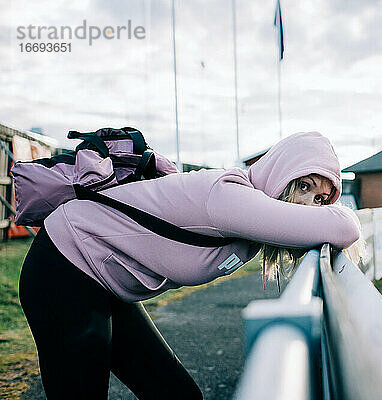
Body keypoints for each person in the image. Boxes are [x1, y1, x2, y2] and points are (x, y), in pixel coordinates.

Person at [18, 131, 361, 399]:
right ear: (280, 171)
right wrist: (333, 213)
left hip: (100, 283)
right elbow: (345, 227)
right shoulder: (231, 197)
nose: (309, 204)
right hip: (63, 268)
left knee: (177, 395)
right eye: (303, 185)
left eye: (320, 198)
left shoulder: (249, 215)